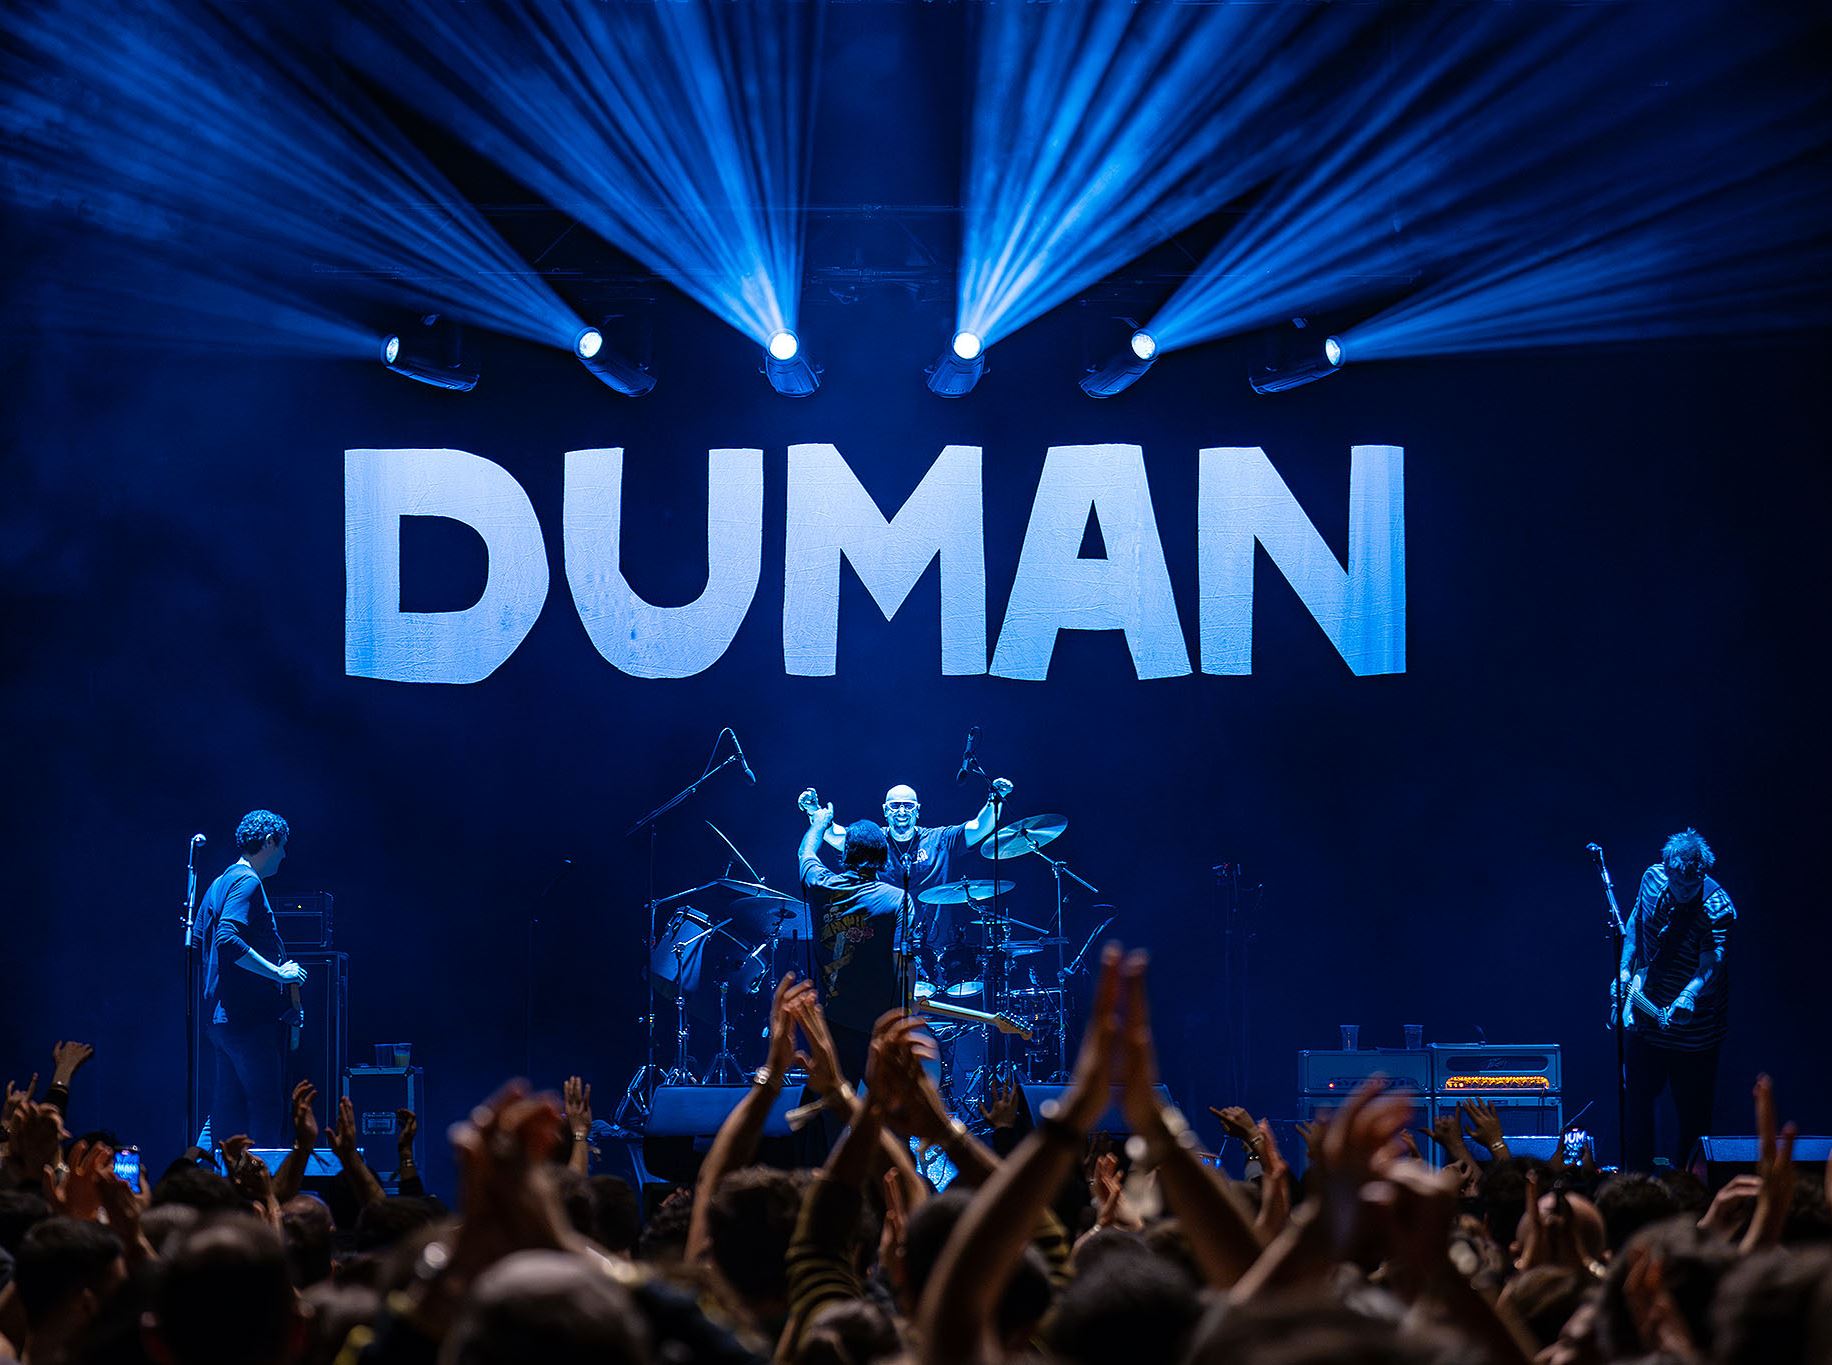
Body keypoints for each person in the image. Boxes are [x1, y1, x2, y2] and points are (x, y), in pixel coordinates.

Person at [1616, 827, 1736, 1171]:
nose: (1684, 891)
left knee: (1693, 1121)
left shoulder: (1717, 907)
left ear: (1703, 874)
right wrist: (1624, 971)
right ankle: (1637, 1183)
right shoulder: (1651, 879)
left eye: (1691, 885)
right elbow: (1635, 923)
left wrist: (1688, 995)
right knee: (1637, 1110)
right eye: (1678, 883)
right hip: (1646, 1018)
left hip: (1695, 1033)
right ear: (1667, 870)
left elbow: (1711, 963)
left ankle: (1691, 1191)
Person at [197, 809, 307, 1149]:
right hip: (245, 1021)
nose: (284, 855)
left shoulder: (218, 884)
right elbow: (227, 940)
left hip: (222, 1020)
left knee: (223, 1114)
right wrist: (278, 972)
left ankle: (195, 1170)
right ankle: (266, 1178)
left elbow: (202, 945)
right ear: (270, 841)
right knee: (266, 1109)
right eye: (282, 846)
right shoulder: (247, 881)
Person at [796, 804, 906, 1085]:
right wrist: (906, 1013)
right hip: (881, 1024)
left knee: (832, 1104)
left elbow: (805, 853)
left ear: (846, 853)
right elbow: (902, 961)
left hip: (832, 1022)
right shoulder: (898, 899)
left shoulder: (821, 884)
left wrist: (819, 822)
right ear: (884, 857)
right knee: (884, 1106)